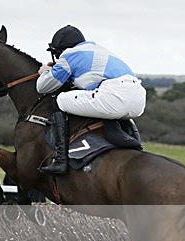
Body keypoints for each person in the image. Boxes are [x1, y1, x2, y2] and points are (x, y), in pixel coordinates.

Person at [36, 25, 147, 175]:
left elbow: (42, 87)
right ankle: (138, 147)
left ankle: (61, 160)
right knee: (118, 111)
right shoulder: (98, 49)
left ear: (61, 48)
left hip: (113, 95)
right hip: (138, 98)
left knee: (59, 100)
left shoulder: (68, 55)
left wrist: (46, 72)